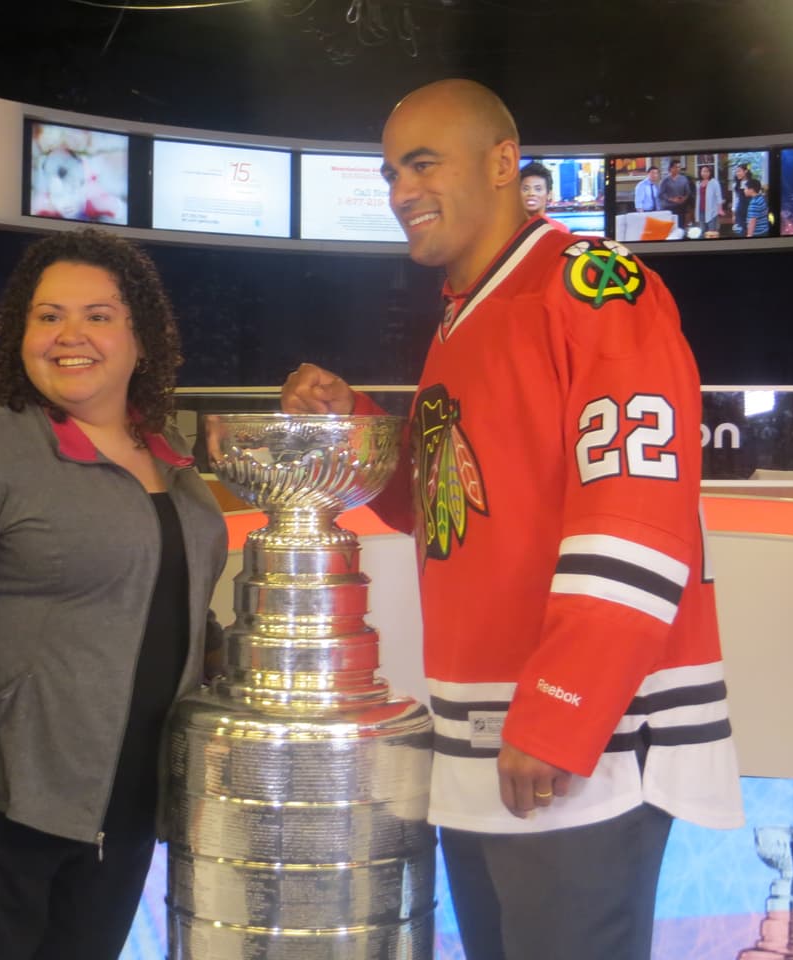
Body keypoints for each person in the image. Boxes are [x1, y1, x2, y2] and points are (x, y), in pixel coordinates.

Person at [281, 78, 742, 960]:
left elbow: (639, 514)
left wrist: (564, 707)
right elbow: (446, 512)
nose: (402, 191)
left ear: (503, 164)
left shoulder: (593, 287)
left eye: (424, 164)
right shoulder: (465, 315)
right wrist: (357, 426)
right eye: (390, 174)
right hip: (482, 735)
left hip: (580, 739)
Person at [0, 228, 229, 960]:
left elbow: (169, 607)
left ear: (141, 338)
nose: (70, 335)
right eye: (48, 315)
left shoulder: (170, 456)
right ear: (19, 335)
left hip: (120, 811)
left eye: (98, 315)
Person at [518, 161, 569, 231]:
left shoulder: (559, 229)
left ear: (549, 194)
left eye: (538, 189)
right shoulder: (509, 229)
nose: (531, 193)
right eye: (525, 189)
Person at [658, 158, 691, 228]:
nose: (678, 169)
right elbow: (661, 194)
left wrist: (684, 199)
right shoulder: (665, 180)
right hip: (668, 208)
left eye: (679, 167)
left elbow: (687, 192)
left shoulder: (684, 179)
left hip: (680, 208)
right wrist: (672, 199)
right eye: (676, 167)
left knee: (680, 228)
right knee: (670, 228)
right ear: (671, 168)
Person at [694, 163, 724, 235]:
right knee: (702, 231)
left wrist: (720, 209)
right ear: (700, 172)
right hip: (701, 211)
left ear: (710, 172)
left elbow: (719, 196)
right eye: (703, 171)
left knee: (712, 232)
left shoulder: (714, 182)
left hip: (712, 211)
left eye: (707, 171)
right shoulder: (698, 183)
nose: (705, 173)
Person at [730, 163, 752, 235]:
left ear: (745, 171)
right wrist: (733, 215)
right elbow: (735, 200)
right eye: (736, 172)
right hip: (739, 212)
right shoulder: (735, 185)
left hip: (751, 212)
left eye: (739, 171)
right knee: (740, 233)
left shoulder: (752, 183)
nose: (737, 173)